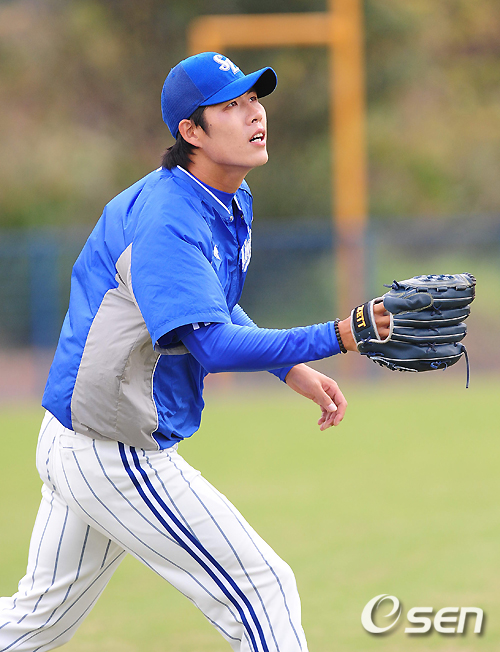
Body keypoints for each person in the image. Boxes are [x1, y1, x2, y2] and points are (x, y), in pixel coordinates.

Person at [0, 52, 389, 652]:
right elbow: (211, 344)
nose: (254, 114)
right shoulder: (168, 218)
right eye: (231, 105)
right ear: (191, 131)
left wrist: (290, 368)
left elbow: (207, 304)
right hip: (113, 451)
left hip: (83, 439)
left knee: (34, 626)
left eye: (254, 99)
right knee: (262, 590)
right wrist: (342, 333)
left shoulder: (222, 197)